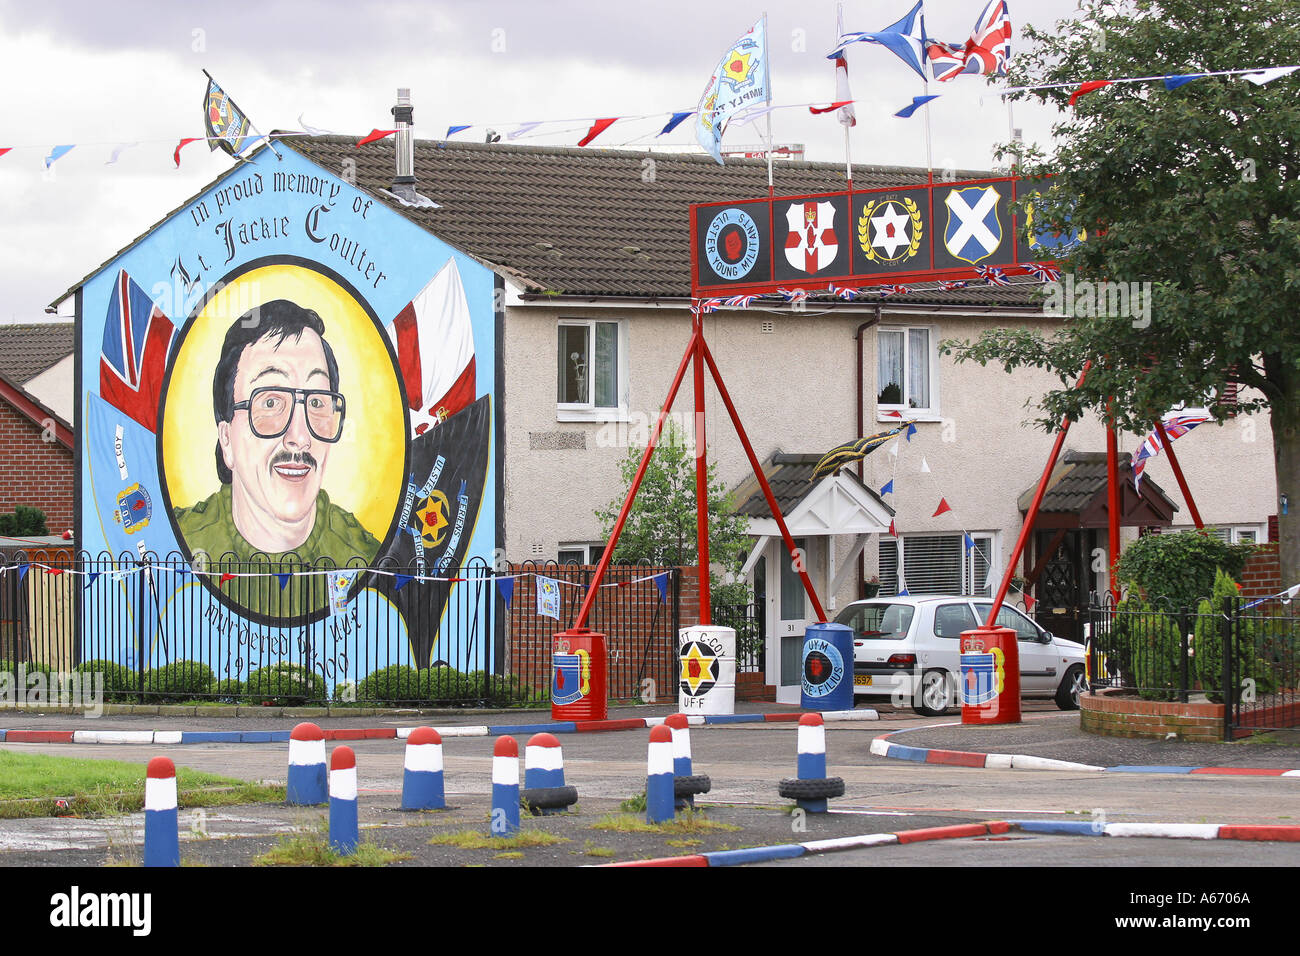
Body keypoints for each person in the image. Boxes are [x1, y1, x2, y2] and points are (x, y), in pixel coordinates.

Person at [174, 300, 379, 595]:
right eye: (271, 403)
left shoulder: (365, 560)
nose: (300, 436)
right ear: (227, 439)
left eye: (317, 402)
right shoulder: (178, 543)